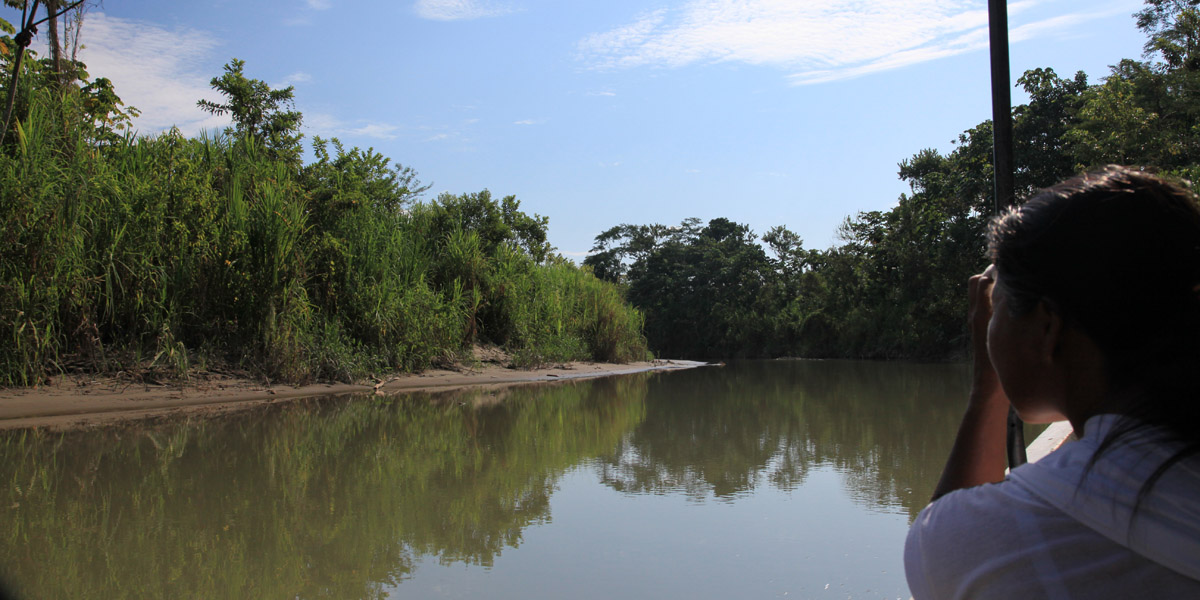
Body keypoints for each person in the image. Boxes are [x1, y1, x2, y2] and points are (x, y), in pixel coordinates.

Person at [904, 165, 1200, 598]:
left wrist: (988, 389)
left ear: (1046, 328)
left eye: (996, 305)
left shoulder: (988, 540)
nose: (986, 324)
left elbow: (938, 558)